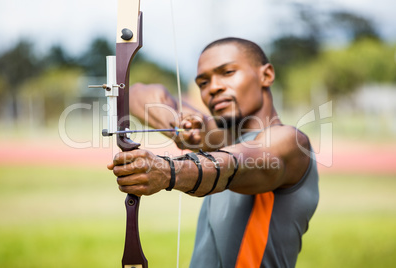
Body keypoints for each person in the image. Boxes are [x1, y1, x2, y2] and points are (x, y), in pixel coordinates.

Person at [107, 37, 319, 268]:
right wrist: (177, 123)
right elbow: (135, 93)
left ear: (266, 75)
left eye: (227, 72)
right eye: (203, 82)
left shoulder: (289, 142)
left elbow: (236, 163)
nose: (213, 87)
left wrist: (168, 171)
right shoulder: (220, 138)